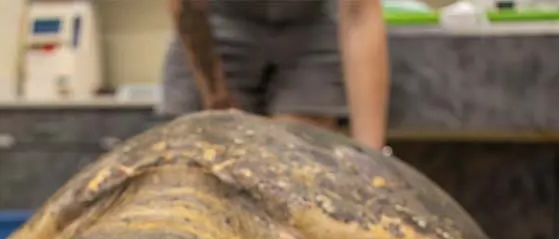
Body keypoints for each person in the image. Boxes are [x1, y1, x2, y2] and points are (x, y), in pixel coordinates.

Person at [158, 0, 389, 150]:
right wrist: (216, 96)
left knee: (299, 158)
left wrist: (370, 155)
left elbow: (359, 13)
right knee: (206, 155)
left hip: (309, 25)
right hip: (218, 21)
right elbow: (187, 6)